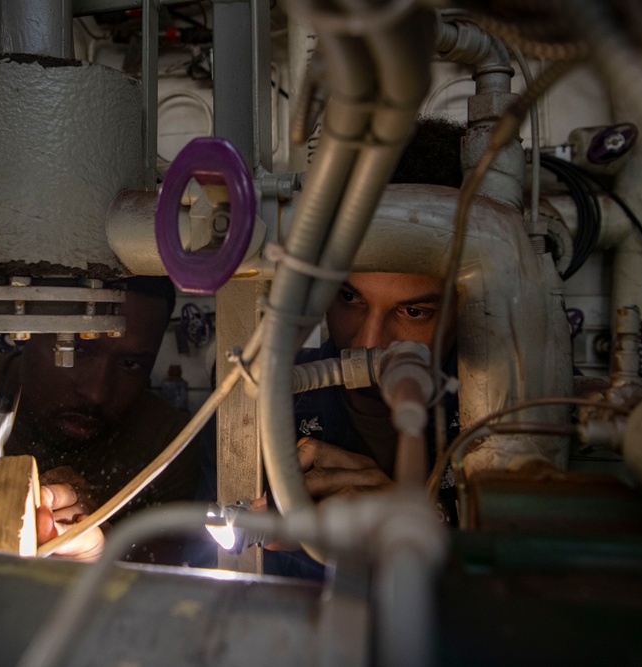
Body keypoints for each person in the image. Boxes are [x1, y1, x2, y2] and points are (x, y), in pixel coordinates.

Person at [189, 116, 466, 577]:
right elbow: (200, 585)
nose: (368, 341)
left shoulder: (510, 422)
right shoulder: (251, 404)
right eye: (349, 297)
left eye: (414, 311)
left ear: (470, 303)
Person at [0, 276, 199, 563]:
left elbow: (158, 595)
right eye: (75, 349)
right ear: (26, 330)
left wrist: (103, 551)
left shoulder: (166, 448)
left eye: (131, 364)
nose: (97, 392)